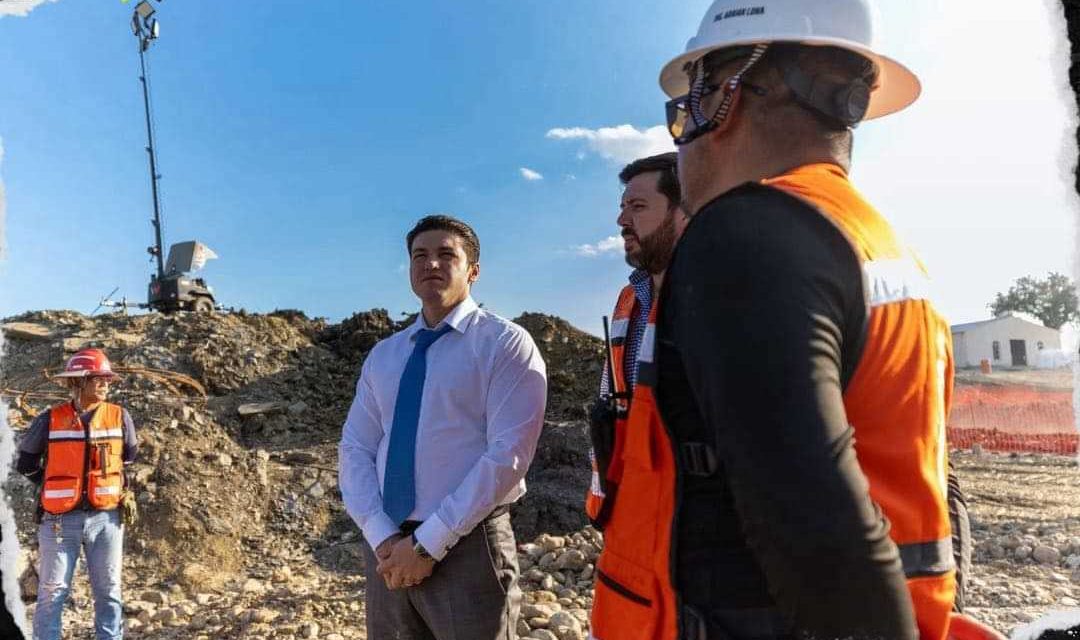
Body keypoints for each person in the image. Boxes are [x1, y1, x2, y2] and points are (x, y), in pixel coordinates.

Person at [588, 1, 1000, 639]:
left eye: (683, 113)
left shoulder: (746, 235)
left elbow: (818, 536)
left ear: (720, 98)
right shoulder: (867, 236)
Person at [338, 214, 548, 640]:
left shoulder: (504, 344)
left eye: (445, 254)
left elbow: (507, 456)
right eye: (420, 255)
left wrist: (428, 544)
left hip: (468, 547)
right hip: (389, 551)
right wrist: (382, 537)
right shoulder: (385, 355)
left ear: (473, 270)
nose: (431, 263)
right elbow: (356, 447)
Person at [585, 152, 688, 529]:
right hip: (630, 516)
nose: (621, 221)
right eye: (622, 207)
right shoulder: (629, 301)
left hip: (695, 529)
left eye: (638, 206)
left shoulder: (723, 300)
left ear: (684, 211)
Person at [18, 348, 136, 640]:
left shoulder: (120, 417)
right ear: (78, 382)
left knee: (109, 592)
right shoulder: (49, 419)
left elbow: (129, 457)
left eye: (107, 379)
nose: (106, 384)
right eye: (98, 379)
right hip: (59, 521)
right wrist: (56, 487)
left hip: (106, 519)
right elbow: (26, 463)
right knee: (51, 594)